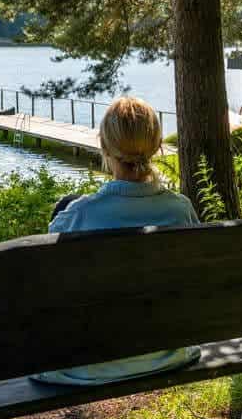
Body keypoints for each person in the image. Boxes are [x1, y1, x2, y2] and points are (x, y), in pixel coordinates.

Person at [34, 97, 201, 386]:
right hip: (168, 354)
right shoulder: (180, 210)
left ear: (104, 146)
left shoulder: (77, 216)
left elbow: (48, 291)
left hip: (83, 366)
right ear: (157, 145)